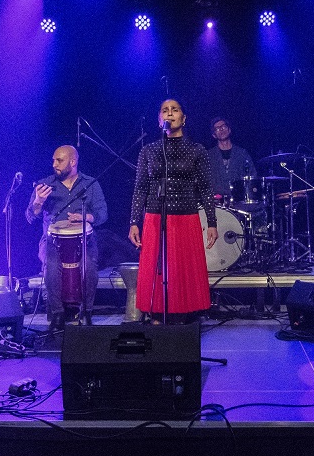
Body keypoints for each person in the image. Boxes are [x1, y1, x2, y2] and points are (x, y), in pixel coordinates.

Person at [128, 99, 218, 322]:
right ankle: (157, 313)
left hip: (185, 217)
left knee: (183, 269)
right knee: (157, 269)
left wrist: (212, 222)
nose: (169, 114)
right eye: (164, 111)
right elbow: (140, 187)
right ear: (159, 120)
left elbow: (206, 188)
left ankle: (186, 316)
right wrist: (134, 222)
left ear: (183, 118)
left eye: (174, 110)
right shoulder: (148, 150)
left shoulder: (197, 150)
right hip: (155, 217)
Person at [26, 145, 108, 329]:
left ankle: (87, 311)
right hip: (52, 240)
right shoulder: (44, 185)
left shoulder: (90, 184)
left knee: (89, 267)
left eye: (59, 160)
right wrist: (38, 202)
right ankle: (57, 313)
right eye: (53, 160)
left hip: (84, 239)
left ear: (73, 162)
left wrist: (87, 217)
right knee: (51, 266)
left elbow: (103, 214)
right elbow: (30, 217)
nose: (54, 164)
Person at [206, 116, 256, 201]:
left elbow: (252, 176)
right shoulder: (209, 155)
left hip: (239, 199)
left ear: (229, 130)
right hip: (216, 201)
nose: (221, 130)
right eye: (217, 129)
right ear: (214, 135)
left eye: (223, 127)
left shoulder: (242, 153)